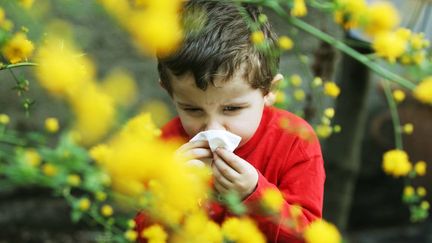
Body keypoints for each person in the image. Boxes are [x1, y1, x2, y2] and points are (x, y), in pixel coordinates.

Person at [136, 1, 325, 242]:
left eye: (232, 109)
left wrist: (255, 195)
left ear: (269, 90)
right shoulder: (165, 145)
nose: (213, 128)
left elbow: (308, 236)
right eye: (193, 109)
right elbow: (140, 235)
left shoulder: (295, 141)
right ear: (170, 93)